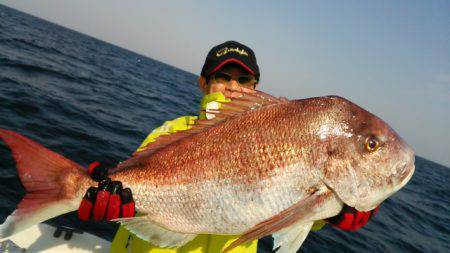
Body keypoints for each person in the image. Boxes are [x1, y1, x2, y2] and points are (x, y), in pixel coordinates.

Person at [77, 41, 379, 253]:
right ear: (203, 83)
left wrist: (330, 216)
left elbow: (286, 204)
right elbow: (133, 182)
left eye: (244, 79)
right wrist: (104, 191)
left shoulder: (276, 132)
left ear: (255, 87)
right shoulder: (172, 132)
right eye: (223, 77)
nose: (233, 86)